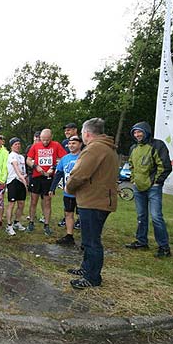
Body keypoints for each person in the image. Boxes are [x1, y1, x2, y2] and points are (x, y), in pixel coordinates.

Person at [66, 118, 118, 289]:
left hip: (94, 201)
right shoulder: (107, 148)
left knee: (91, 241)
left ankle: (92, 277)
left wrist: (70, 187)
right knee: (88, 239)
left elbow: (80, 174)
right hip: (99, 199)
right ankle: (86, 268)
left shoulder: (94, 149)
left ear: (87, 133)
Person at [124, 121, 172, 258]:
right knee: (141, 216)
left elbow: (165, 166)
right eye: (135, 132)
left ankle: (164, 247)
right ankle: (141, 241)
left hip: (153, 188)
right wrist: (133, 179)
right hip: (138, 188)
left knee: (156, 217)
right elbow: (131, 165)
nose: (137, 134)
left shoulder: (157, 145)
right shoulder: (133, 148)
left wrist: (156, 182)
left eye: (140, 132)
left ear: (146, 132)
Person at [26, 129, 66, 236]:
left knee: (47, 201)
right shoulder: (35, 146)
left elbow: (64, 159)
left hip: (48, 178)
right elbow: (28, 160)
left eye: (47, 140)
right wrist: (36, 166)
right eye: (43, 140)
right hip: (36, 177)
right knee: (33, 200)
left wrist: (53, 167)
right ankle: (31, 222)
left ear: (51, 137)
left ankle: (46, 225)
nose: (45, 142)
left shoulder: (56, 145)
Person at [49, 136, 83, 245]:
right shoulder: (65, 158)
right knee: (68, 213)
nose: (71, 145)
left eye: (74, 143)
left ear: (80, 144)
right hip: (68, 192)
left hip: (82, 192)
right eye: (70, 143)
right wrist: (52, 188)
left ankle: (85, 238)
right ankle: (69, 236)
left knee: (82, 215)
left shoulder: (84, 157)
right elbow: (58, 174)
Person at [59, 122, 81, 229]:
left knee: (79, 200)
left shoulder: (82, 141)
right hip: (67, 171)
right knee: (67, 198)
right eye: (65, 130)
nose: (66, 132)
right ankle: (66, 218)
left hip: (79, 173)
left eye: (69, 130)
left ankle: (80, 220)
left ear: (75, 130)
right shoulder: (64, 142)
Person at [5, 137, 28, 236]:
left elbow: (23, 170)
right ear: (11, 146)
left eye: (19, 144)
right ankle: (9, 225)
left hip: (21, 181)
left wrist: (24, 179)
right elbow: (16, 167)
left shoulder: (22, 157)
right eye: (15, 144)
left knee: (21, 203)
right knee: (11, 203)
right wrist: (22, 178)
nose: (18, 146)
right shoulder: (12, 156)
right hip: (13, 181)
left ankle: (16, 222)